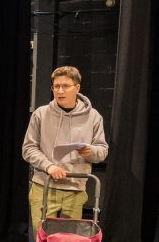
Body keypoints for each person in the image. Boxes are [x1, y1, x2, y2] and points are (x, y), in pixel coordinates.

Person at [22, 65, 109, 231]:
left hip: (74, 189)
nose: (60, 91)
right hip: (44, 187)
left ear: (77, 88)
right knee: (43, 241)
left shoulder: (93, 117)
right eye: (56, 86)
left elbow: (102, 151)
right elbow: (28, 148)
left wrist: (91, 152)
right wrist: (50, 166)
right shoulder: (41, 114)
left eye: (65, 86)